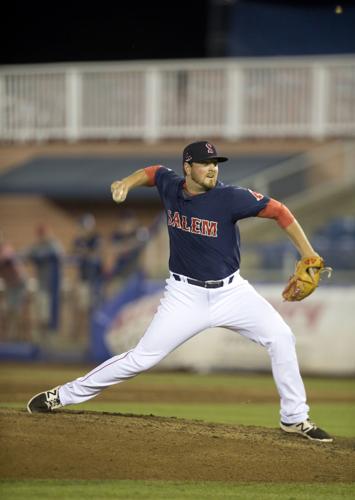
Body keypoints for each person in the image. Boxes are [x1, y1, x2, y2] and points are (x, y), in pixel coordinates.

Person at [27, 141, 332, 443]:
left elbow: (279, 210)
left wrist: (309, 253)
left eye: (216, 163)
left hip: (232, 292)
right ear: (188, 168)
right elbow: (154, 171)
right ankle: (61, 395)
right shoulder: (171, 185)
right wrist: (126, 182)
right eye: (206, 163)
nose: (213, 168)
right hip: (184, 296)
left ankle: (294, 418)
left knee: (281, 337)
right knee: (141, 359)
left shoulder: (230, 198)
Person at [21, 224, 63, 332]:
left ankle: (50, 333)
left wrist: (40, 254)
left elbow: (59, 253)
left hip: (52, 284)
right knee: (41, 309)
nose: (42, 237)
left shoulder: (53, 245)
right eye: (41, 235)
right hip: (42, 283)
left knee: (49, 310)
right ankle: (43, 334)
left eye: (44, 234)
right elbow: (24, 254)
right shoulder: (37, 246)